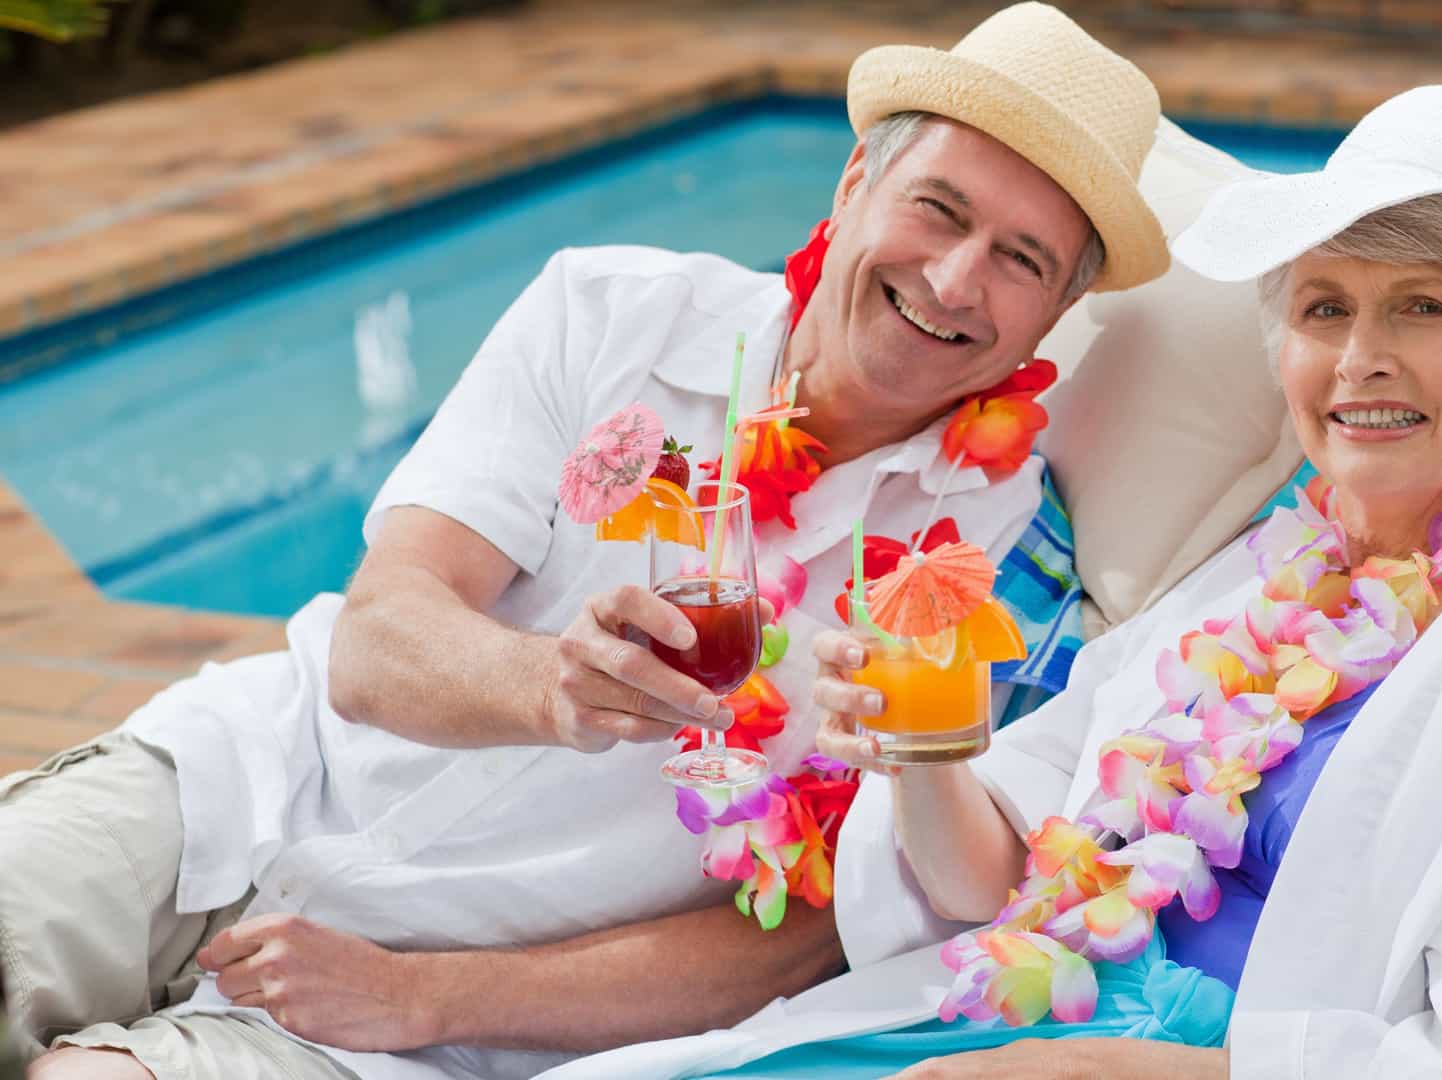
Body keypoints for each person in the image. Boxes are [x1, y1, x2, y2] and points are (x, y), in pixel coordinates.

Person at [6, 6, 1168, 1080]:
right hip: (233, 793)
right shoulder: (610, 311)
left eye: (1021, 260)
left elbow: (803, 941)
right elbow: (378, 638)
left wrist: (424, 997)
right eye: (940, 207)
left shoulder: (998, 567)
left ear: (1057, 312)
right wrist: (552, 685)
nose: (954, 278)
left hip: (441, 1017)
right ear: (857, 177)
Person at [544, 84, 1442, 1080]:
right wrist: (926, 757)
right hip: (1000, 1030)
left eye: (1425, 306)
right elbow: (984, 877)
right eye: (1325, 306)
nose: (1359, 358)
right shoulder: (1253, 586)